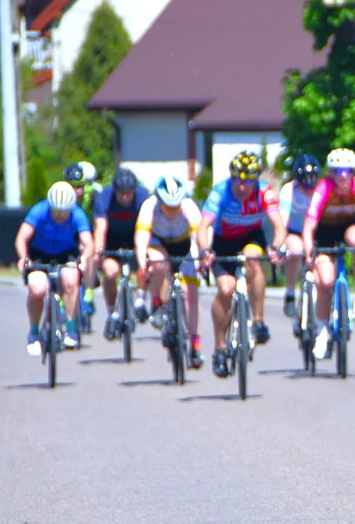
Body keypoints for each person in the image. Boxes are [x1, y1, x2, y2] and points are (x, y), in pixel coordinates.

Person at [197, 150, 285, 378]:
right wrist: (205, 251)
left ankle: (257, 321)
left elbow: (278, 226)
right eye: (237, 179)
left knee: (252, 260)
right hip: (224, 241)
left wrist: (276, 247)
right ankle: (219, 347)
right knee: (225, 291)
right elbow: (202, 227)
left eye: (248, 181)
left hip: (251, 237)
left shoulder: (265, 192)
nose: (242, 186)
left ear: (256, 179)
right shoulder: (220, 192)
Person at [300, 147, 355, 360]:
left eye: (348, 170)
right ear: (331, 173)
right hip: (324, 235)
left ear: (353, 172)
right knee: (325, 282)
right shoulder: (323, 189)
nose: (343, 175)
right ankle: (322, 331)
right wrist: (309, 254)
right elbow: (309, 227)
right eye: (337, 170)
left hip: (347, 229)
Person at [14, 181, 94, 355]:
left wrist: (84, 259)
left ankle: (71, 327)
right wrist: (24, 258)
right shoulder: (39, 210)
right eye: (56, 211)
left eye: (64, 212)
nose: (59, 216)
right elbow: (21, 237)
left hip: (66, 254)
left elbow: (88, 242)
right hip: (39, 255)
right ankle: (34, 332)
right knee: (37, 289)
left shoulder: (78, 214)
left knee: (71, 280)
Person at [135, 175, 205, 369]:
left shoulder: (189, 207)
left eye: (176, 206)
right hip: (159, 243)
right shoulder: (150, 206)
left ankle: (195, 343)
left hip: (184, 245)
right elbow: (141, 238)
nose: (172, 210)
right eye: (168, 206)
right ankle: (157, 302)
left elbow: (201, 236)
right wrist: (142, 264)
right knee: (157, 262)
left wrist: (203, 260)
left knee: (190, 294)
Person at [94, 167, 152, 340]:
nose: (125, 197)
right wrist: (99, 252)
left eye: (129, 193)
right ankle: (112, 313)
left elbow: (149, 227)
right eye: (121, 194)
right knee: (110, 273)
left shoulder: (144, 197)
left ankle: (141, 299)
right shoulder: (104, 198)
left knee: (146, 261)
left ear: (135, 190)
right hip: (112, 239)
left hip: (136, 236)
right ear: (115, 191)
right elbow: (100, 228)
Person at [277, 153, 321, 318]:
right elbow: (283, 219)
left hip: (317, 233)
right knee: (295, 250)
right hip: (295, 231)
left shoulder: (321, 189)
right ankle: (290, 292)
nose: (308, 190)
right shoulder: (289, 190)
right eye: (305, 187)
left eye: (312, 186)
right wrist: (281, 246)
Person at [64, 162, 99, 315]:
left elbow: (99, 221)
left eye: (80, 186)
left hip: (86, 232)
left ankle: (89, 296)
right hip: (67, 235)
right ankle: (60, 299)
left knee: (91, 256)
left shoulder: (93, 196)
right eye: (72, 186)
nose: (76, 191)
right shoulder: (60, 196)